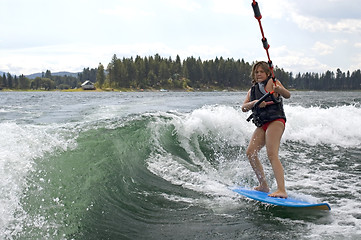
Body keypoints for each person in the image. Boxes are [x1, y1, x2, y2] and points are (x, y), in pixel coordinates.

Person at [241, 61, 291, 198]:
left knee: (271, 153)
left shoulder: (272, 83)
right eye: (256, 72)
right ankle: (263, 185)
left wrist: (279, 90)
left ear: (268, 73)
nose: (258, 74)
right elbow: (244, 107)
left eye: (261, 72)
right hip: (262, 124)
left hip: (275, 121)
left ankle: (282, 190)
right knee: (250, 152)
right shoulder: (252, 90)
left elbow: (287, 95)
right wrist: (255, 103)